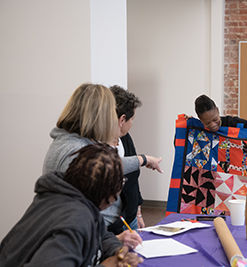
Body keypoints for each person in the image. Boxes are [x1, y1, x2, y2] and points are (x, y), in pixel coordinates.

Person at [42, 83, 161, 246]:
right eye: (109, 115)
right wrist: (111, 240)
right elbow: (75, 227)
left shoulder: (72, 143)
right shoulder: (76, 151)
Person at [0, 143, 143, 267]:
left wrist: (116, 250)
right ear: (109, 194)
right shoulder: (76, 221)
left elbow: (102, 234)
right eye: (120, 182)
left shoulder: (70, 197)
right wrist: (107, 265)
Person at [103, 85, 145, 233]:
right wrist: (144, 160)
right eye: (132, 119)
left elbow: (133, 179)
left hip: (131, 217)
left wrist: (138, 212)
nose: (132, 123)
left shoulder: (126, 139)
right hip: (111, 226)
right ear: (122, 119)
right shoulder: (96, 149)